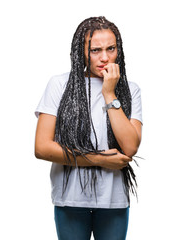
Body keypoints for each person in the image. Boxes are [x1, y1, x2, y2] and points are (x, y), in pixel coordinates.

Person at [34, 16, 142, 240]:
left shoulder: (131, 89)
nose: (105, 57)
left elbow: (130, 147)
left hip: (113, 200)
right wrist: (99, 159)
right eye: (95, 50)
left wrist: (109, 93)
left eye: (111, 49)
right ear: (81, 52)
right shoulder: (59, 85)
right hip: (71, 199)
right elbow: (42, 148)